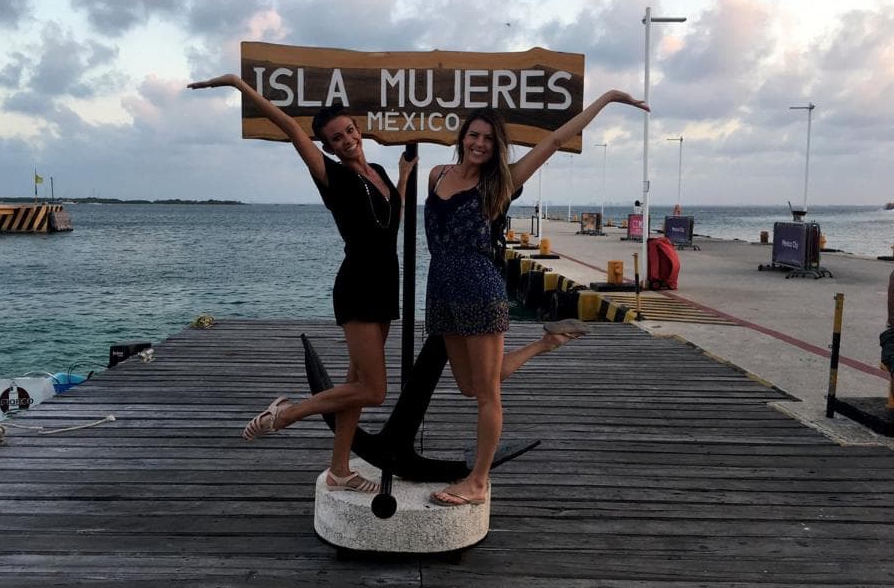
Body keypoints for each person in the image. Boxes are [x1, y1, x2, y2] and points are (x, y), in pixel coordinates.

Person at [187, 74, 414, 494]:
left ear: (357, 130)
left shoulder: (379, 170)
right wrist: (240, 84)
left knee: (355, 389)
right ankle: (287, 413)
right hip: (359, 288)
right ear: (327, 146)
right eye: (336, 138)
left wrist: (401, 178)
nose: (347, 140)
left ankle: (339, 470)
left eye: (349, 131)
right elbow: (291, 128)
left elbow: (390, 226)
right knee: (375, 390)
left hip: (385, 287)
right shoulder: (332, 176)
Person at [425, 91, 649, 507]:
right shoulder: (436, 174)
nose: (479, 144)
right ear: (462, 137)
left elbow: (554, 141)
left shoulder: (501, 182)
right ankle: (545, 343)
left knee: (488, 392)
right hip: (440, 289)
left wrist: (610, 98)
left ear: (497, 147)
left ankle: (478, 481)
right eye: (474, 135)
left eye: (488, 140)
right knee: (468, 386)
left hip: (480, 289)